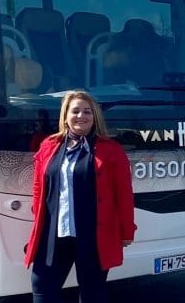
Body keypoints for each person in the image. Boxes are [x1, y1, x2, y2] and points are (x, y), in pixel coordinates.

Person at [24, 91, 136, 302]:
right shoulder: (49, 146)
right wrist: (37, 217)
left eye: (87, 112)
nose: (81, 116)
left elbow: (123, 194)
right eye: (75, 111)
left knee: (92, 291)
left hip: (93, 235)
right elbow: (39, 186)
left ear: (95, 117)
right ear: (65, 115)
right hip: (54, 234)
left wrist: (126, 230)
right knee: (42, 285)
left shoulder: (111, 150)